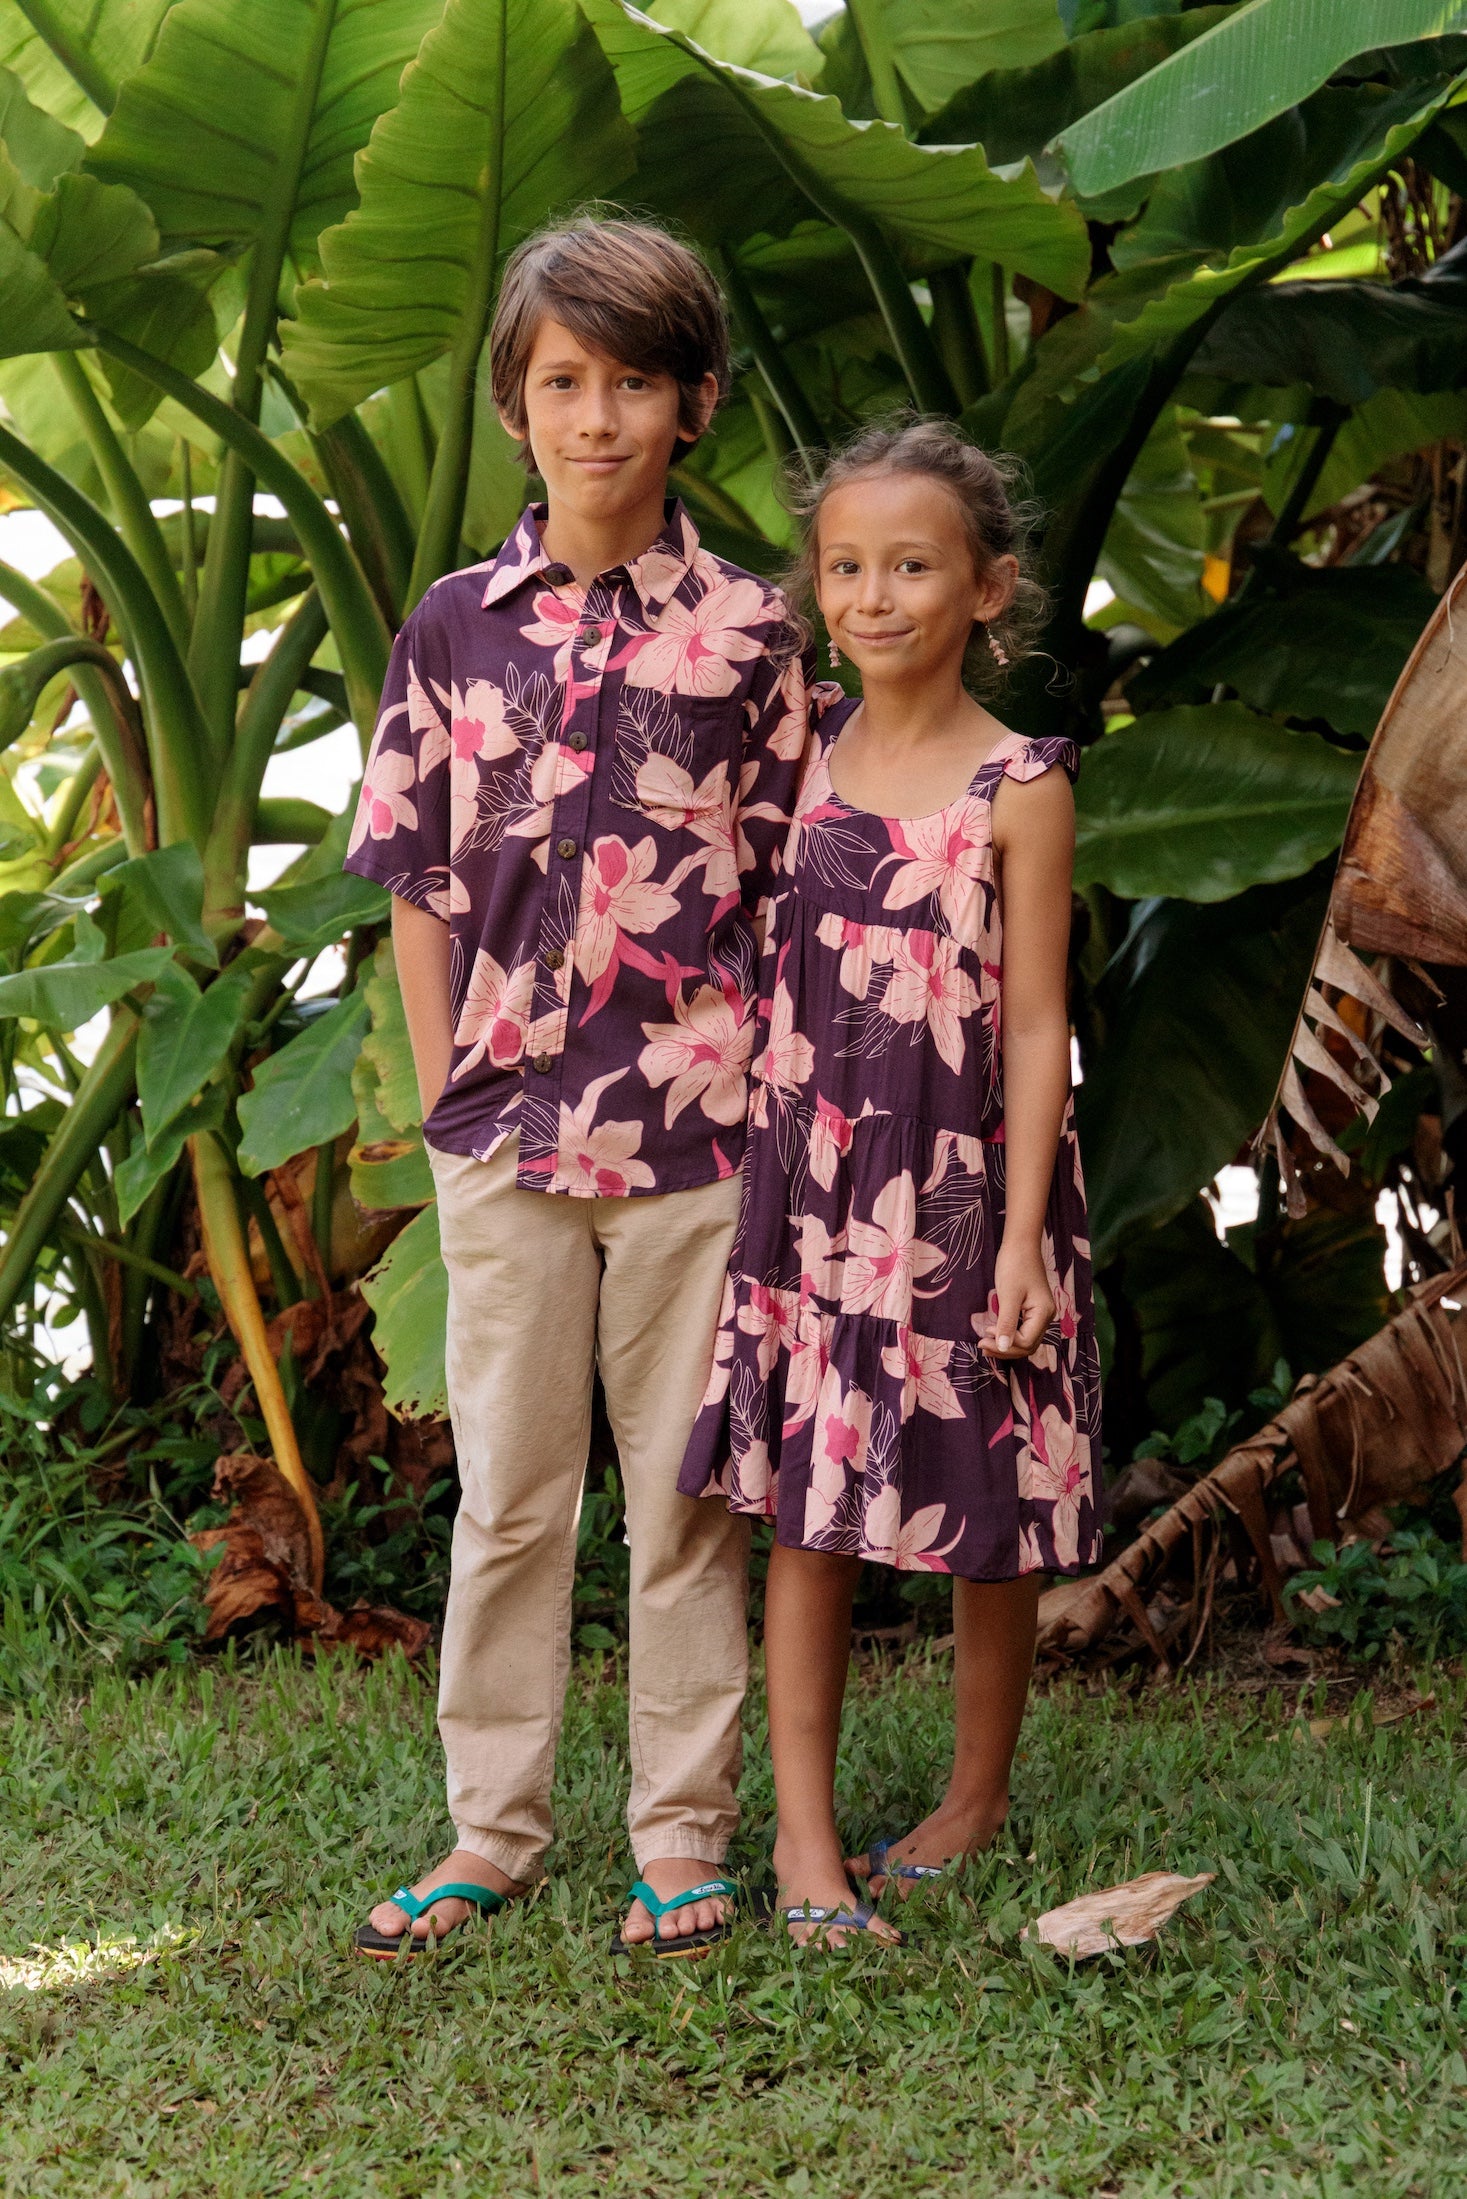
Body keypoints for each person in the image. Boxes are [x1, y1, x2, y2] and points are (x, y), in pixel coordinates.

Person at [344, 217, 812, 1958]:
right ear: (515, 403)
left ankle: (680, 1838)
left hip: (700, 1141)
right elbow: (414, 875)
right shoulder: (454, 629)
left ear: (693, 404)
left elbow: (791, 883)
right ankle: (492, 1831)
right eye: (561, 382)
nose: (595, 417)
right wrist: (439, 1088)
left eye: (631, 382)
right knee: (513, 1498)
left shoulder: (755, 633)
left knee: (683, 1509)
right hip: (503, 1134)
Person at [678, 418, 1103, 1946]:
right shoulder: (802, 757)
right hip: (819, 1198)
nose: (872, 595)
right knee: (811, 1507)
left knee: (983, 1493)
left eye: (912, 565)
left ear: (988, 589)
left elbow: (1044, 1017)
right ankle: (802, 1837)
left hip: (971, 1193)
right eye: (845, 565)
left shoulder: (1021, 784)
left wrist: (1022, 1238)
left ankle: (975, 1792)